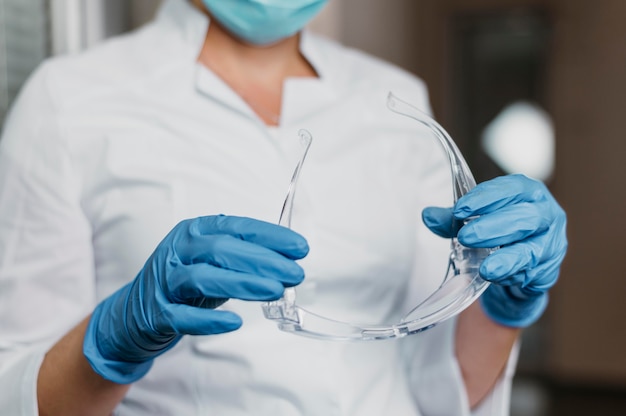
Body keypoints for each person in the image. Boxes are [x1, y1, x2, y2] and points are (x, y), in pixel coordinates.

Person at [0, 0, 567, 415]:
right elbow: (15, 394)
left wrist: (501, 308)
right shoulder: (69, 100)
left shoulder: (394, 97)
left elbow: (439, 389)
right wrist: (110, 344)